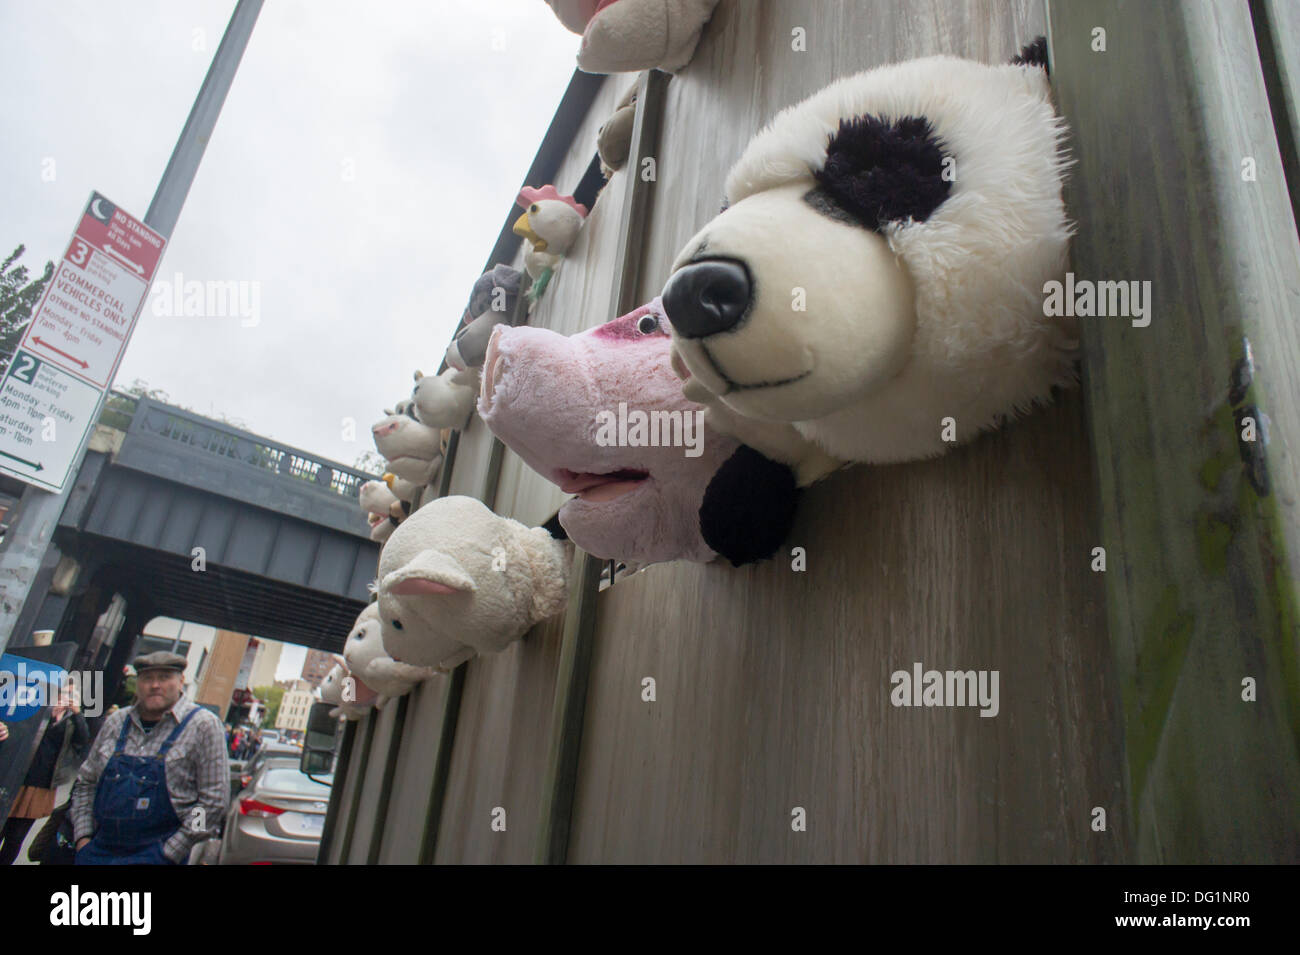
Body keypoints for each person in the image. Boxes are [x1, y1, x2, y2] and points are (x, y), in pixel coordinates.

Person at [72, 652, 227, 865]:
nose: (155, 685)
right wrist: (83, 838)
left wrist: (173, 851)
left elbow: (212, 802)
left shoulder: (204, 726)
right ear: (138, 684)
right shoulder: (116, 721)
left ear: (181, 681)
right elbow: (85, 783)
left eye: (164, 677)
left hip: (158, 855)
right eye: (147, 678)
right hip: (98, 851)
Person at [0, 679, 89, 865]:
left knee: (16, 837)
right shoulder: (38, 710)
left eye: (71, 694)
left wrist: (77, 713)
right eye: (64, 693)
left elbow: (83, 740)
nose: (66, 698)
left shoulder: (72, 720)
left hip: (42, 783)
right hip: (17, 777)